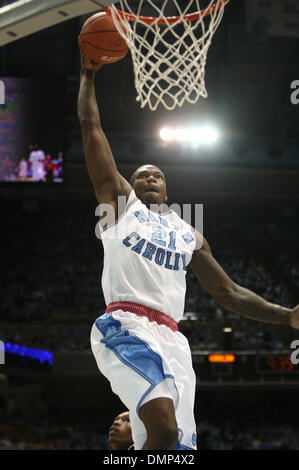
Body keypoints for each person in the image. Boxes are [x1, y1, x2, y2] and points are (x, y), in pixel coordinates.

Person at [77, 45, 299, 451]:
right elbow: (92, 131)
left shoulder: (188, 233)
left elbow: (228, 293)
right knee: (162, 431)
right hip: (125, 324)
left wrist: (288, 317)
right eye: (141, 175)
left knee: (178, 447)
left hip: (173, 340)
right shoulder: (119, 208)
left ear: (167, 187)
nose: (149, 179)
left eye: (157, 175)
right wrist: (88, 76)